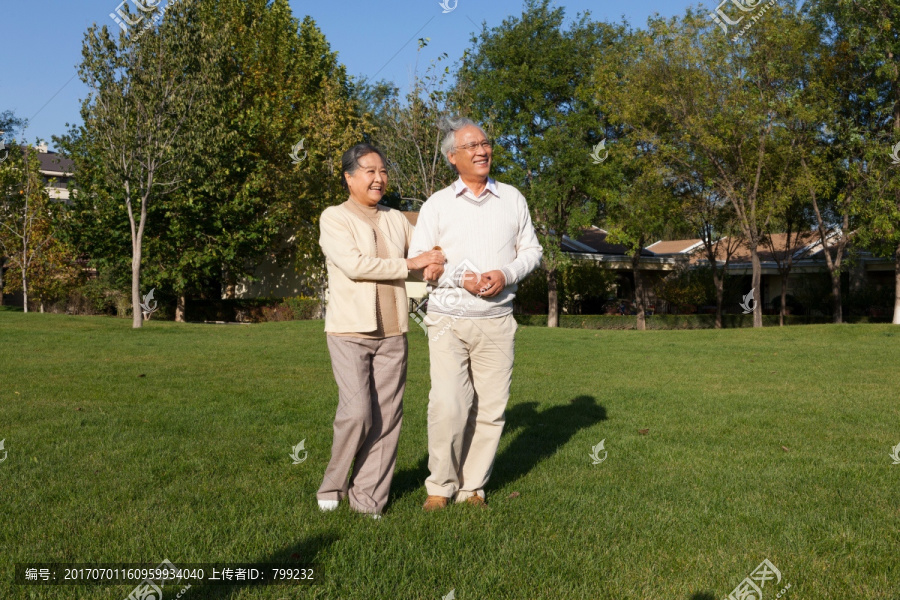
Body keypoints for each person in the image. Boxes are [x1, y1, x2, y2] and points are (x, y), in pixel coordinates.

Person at [408, 117, 543, 511]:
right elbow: (421, 263)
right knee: (448, 404)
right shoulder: (436, 205)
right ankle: (440, 486)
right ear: (453, 157)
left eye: (485, 144)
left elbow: (532, 252)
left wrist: (506, 273)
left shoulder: (513, 198)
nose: (482, 151)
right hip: (447, 320)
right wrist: (460, 277)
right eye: (471, 146)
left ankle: (472, 489)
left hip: (498, 321)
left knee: (490, 408)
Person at [316, 143, 445, 518]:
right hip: (348, 332)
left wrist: (434, 262)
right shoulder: (334, 217)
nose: (379, 178)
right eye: (370, 171)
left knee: (387, 417)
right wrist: (412, 262)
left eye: (383, 171)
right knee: (357, 413)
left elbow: (423, 253)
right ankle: (334, 484)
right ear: (349, 177)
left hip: (393, 332)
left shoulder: (395, 219)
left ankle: (368, 498)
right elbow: (356, 265)